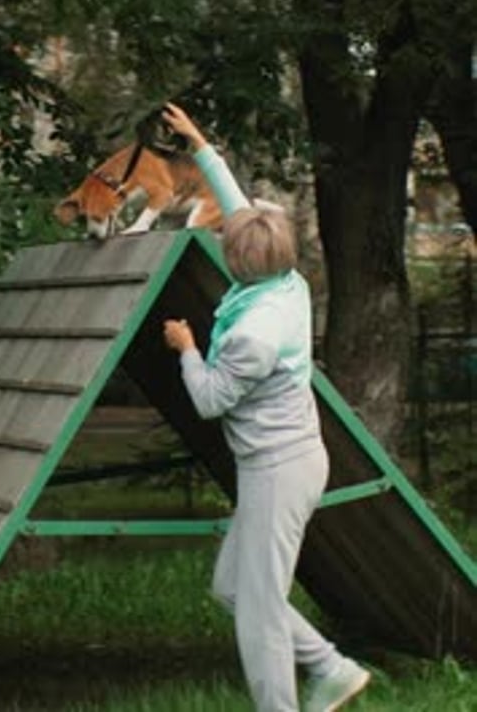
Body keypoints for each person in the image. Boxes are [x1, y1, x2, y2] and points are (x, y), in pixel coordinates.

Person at [162, 103, 370, 712]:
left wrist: (187, 349)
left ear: (238, 262)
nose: (224, 233)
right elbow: (239, 211)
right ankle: (331, 667)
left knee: (257, 611)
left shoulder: (255, 332)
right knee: (235, 588)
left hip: (281, 469)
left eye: (227, 240)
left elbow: (208, 401)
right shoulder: (287, 278)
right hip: (275, 463)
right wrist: (200, 146)